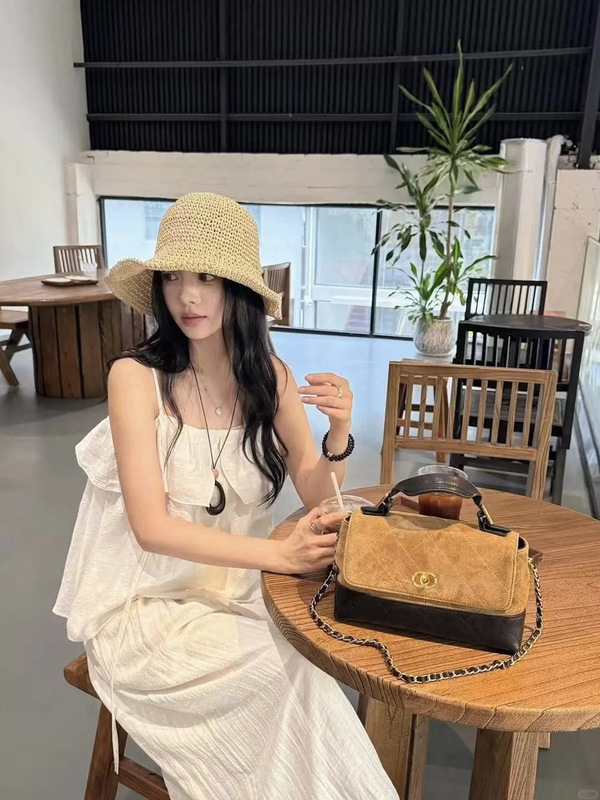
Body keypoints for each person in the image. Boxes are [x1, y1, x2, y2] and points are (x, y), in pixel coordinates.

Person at [53, 193, 398, 800]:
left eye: (207, 278)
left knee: (311, 672)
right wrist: (281, 555)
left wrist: (340, 433)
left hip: (240, 593)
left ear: (237, 288)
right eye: (174, 278)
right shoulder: (135, 378)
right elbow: (151, 529)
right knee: (290, 681)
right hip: (145, 607)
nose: (187, 297)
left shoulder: (270, 377)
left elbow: (316, 488)